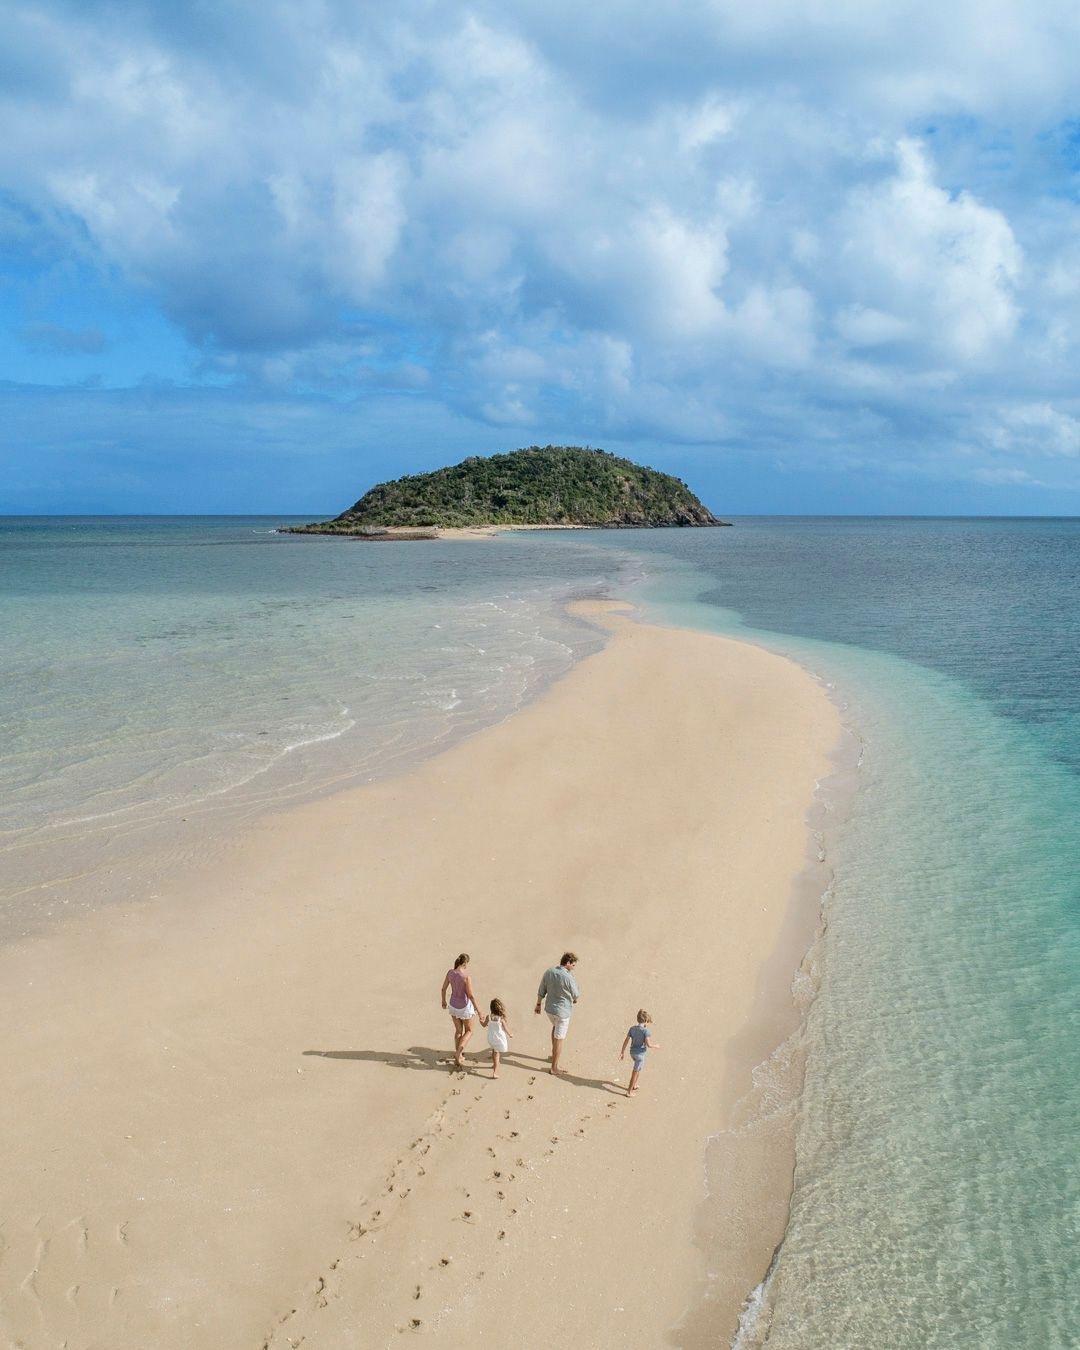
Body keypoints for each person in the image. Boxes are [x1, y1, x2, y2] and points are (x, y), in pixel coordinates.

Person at [534, 951, 580, 1075]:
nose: (574, 968)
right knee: (559, 1039)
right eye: (573, 965)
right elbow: (576, 994)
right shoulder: (568, 977)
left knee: (555, 1028)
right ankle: (554, 1067)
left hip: (549, 1010)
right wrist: (574, 999)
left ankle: (553, 1054)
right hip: (562, 1012)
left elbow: (541, 989)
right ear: (568, 963)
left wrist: (538, 1004)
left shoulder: (549, 971)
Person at [440, 953, 480, 1070]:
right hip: (464, 1007)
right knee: (469, 1031)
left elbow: (443, 988)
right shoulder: (466, 977)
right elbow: (471, 995)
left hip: (453, 1005)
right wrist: (479, 1011)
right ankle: (458, 1053)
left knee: (458, 1031)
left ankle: (459, 1055)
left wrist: (443, 1001)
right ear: (465, 963)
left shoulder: (450, 973)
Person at [619, 1009, 659, 1096]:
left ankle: (634, 1085)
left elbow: (626, 1040)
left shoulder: (632, 1029)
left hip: (632, 1053)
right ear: (645, 1021)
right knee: (635, 1072)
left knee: (639, 1069)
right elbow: (648, 1044)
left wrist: (622, 1052)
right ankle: (629, 1091)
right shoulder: (646, 1031)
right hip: (640, 1055)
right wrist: (656, 1046)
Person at [480, 997, 512, 1078]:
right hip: (499, 1038)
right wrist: (510, 1034)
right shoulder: (500, 1019)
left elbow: (484, 1025)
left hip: (491, 1037)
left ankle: (494, 1064)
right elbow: (505, 1029)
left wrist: (481, 1021)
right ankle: (495, 1071)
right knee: (497, 1053)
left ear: (491, 1008)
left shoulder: (488, 1017)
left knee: (494, 1051)